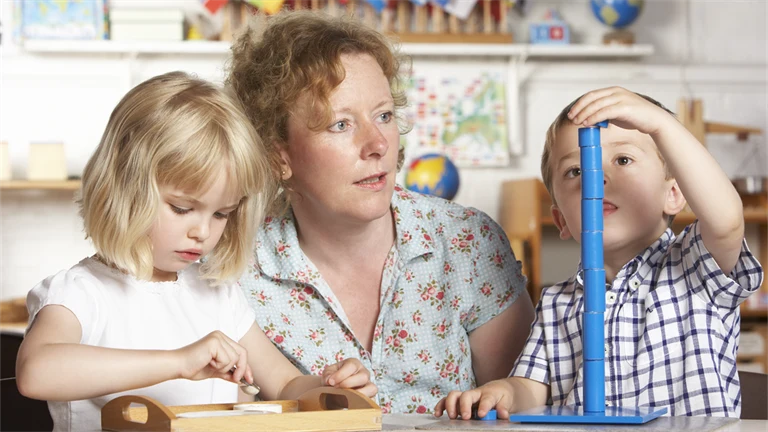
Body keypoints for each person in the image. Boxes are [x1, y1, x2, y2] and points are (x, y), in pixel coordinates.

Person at [15, 71, 375, 432]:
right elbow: (36, 373)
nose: (202, 232)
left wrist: (330, 387)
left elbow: (284, 385)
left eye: (221, 214)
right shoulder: (82, 293)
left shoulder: (216, 294)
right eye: (182, 208)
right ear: (123, 186)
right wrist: (179, 361)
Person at [228, 11, 535, 414]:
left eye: (384, 115)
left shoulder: (468, 242)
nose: (377, 144)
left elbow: (528, 400)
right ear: (277, 154)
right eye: (340, 124)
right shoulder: (236, 265)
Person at [435, 87, 764, 419]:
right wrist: (501, 392)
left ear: (675, 194)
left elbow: (726, 220)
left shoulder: (695, 266)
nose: (597, 176)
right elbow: (531, 388)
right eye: (574, 171)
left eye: (623, 159)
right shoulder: (556, 303)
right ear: (562, 220)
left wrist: (661, 126)